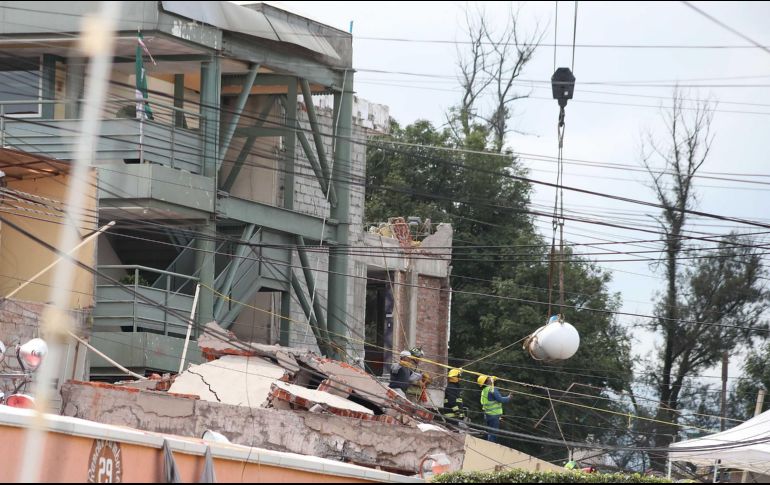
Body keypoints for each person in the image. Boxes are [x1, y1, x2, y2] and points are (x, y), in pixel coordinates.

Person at [478, 374, 511, 443]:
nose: (490, 378)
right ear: (487, 381)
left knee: (490, 432)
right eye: (488, 378)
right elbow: (500, 400)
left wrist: (494, 379)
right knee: (494, 433)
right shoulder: (491, 389)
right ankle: (491, 445)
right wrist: (509, 397)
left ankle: (489, 444)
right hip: (494, 415)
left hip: (487, 415)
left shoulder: (484, 391)